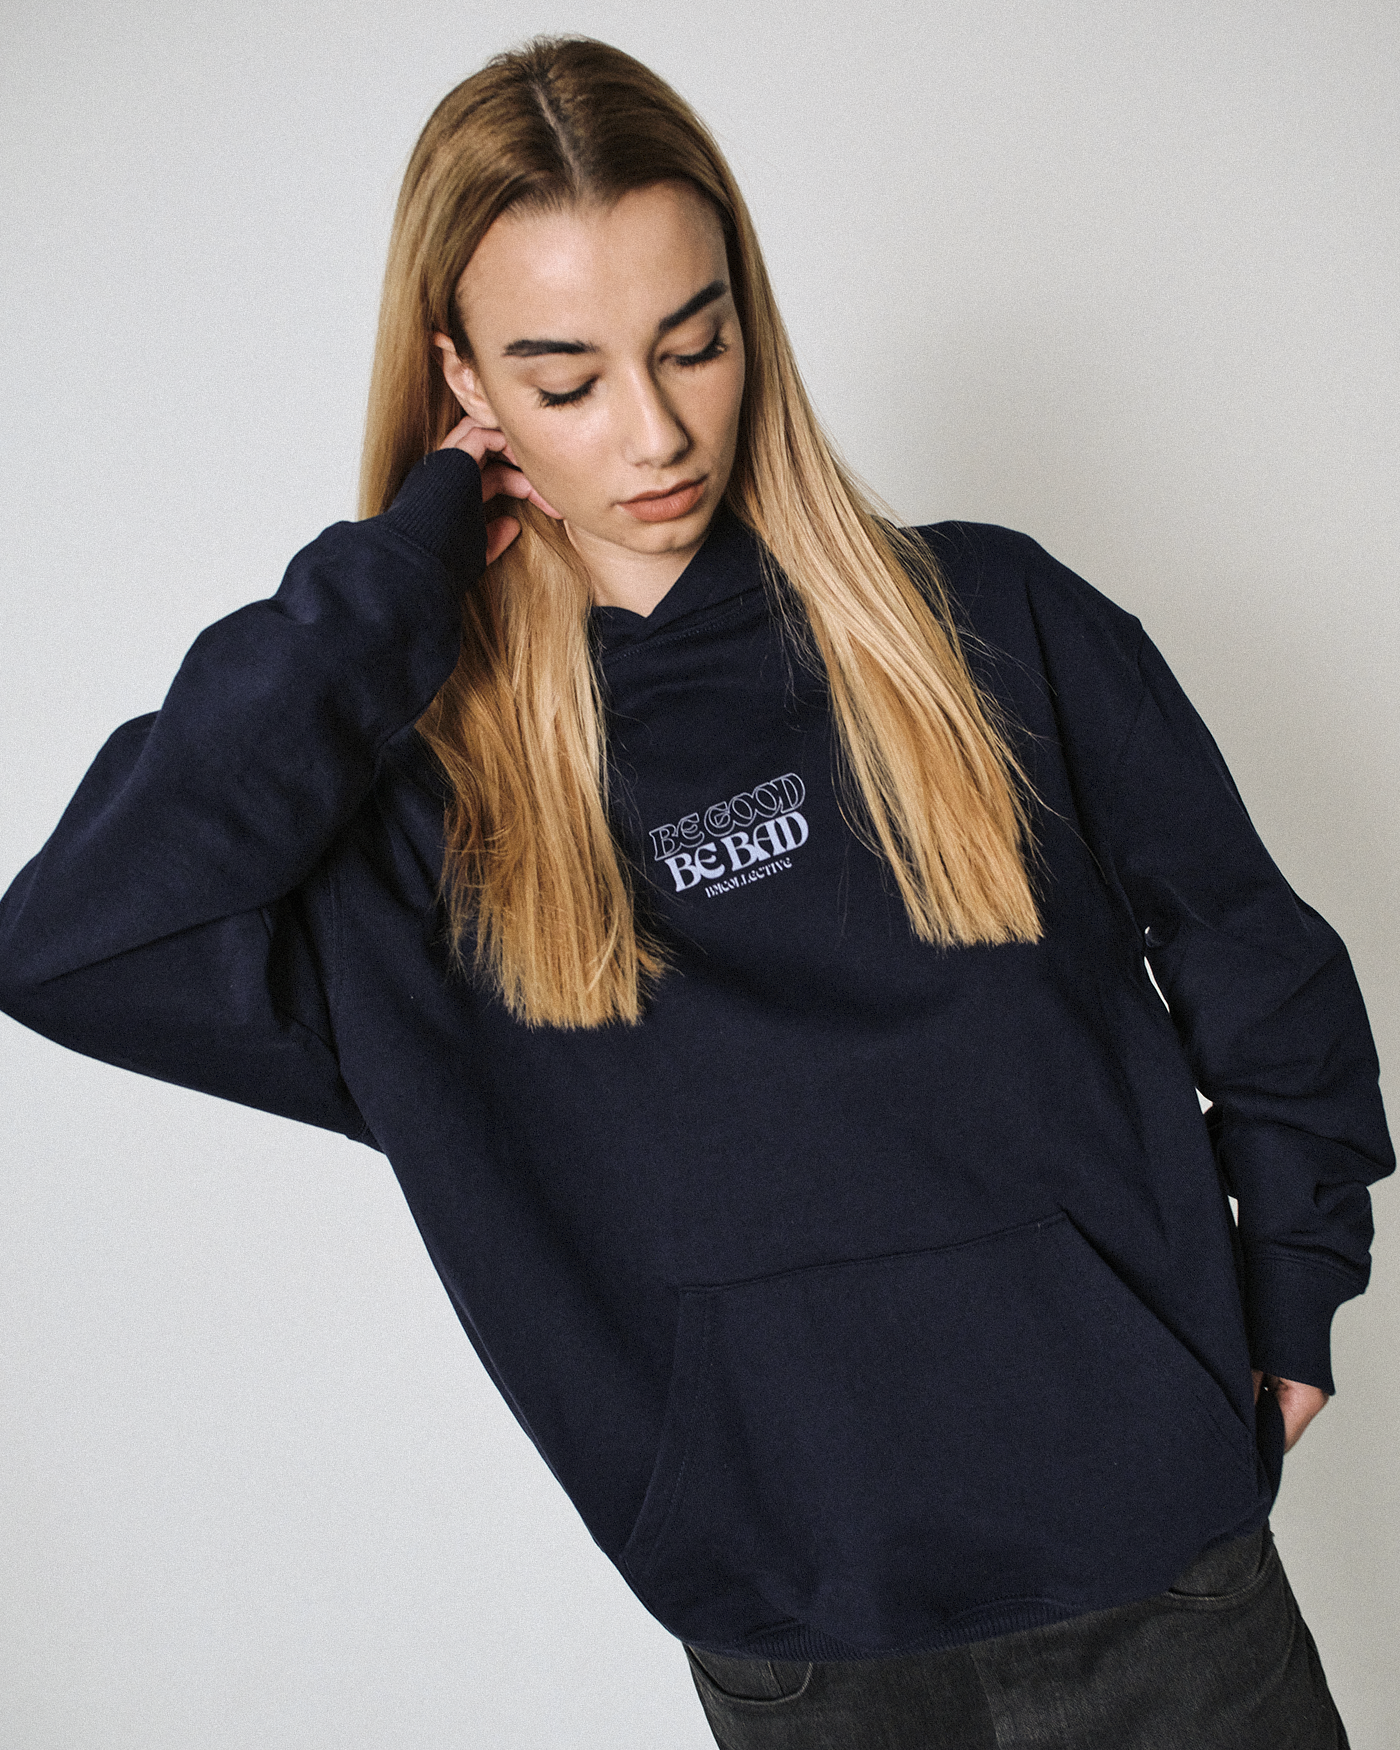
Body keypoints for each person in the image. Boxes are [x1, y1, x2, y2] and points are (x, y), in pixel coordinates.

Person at [0, 33, 1391, 1750]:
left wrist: (1295, 1292)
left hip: (1160, 1580)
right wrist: (399, 575)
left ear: (751, 322)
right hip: (801, 1643)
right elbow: (75, 938)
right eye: (565, 378)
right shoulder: (418, 812)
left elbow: (1259, 961)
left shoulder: (988, 628)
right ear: (460, 382)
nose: (655, 432)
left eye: (693, 343)